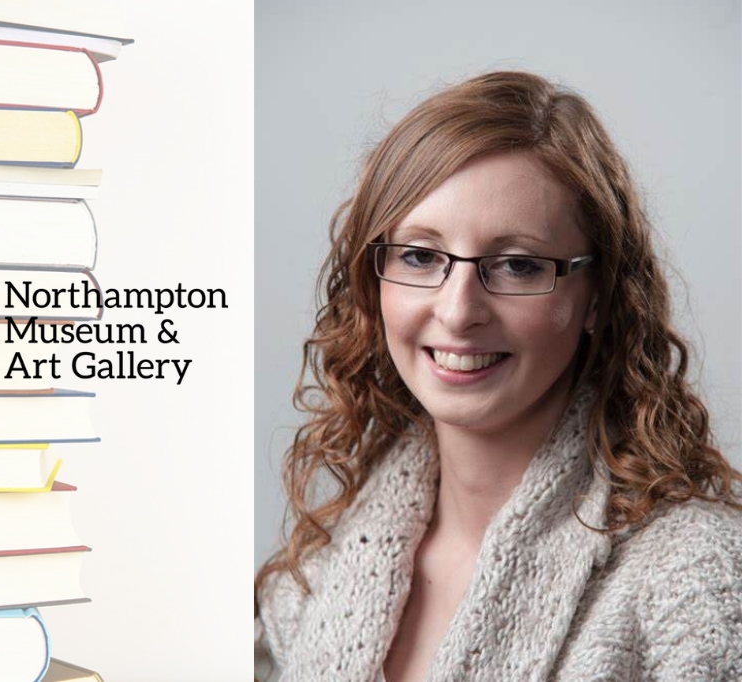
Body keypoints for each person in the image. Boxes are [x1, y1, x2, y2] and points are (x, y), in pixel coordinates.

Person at [254, 71, 742, 682]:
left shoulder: (695, 577)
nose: (458, 311)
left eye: (517, 264)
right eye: (420, 256)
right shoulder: (310, 580)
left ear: (596, 296)